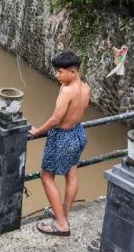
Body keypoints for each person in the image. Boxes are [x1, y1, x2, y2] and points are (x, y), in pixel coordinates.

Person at [28, 51, 90, 237]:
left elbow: (56, 119)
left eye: (59, 72)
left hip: (63, 137)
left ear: (72, 72)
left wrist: (38, 131)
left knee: (46, 176)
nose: (57, 75)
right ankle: (63, 214)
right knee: (71, 172)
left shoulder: (67, 90)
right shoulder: (85, 87)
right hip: (78, 133)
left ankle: (62, 224)